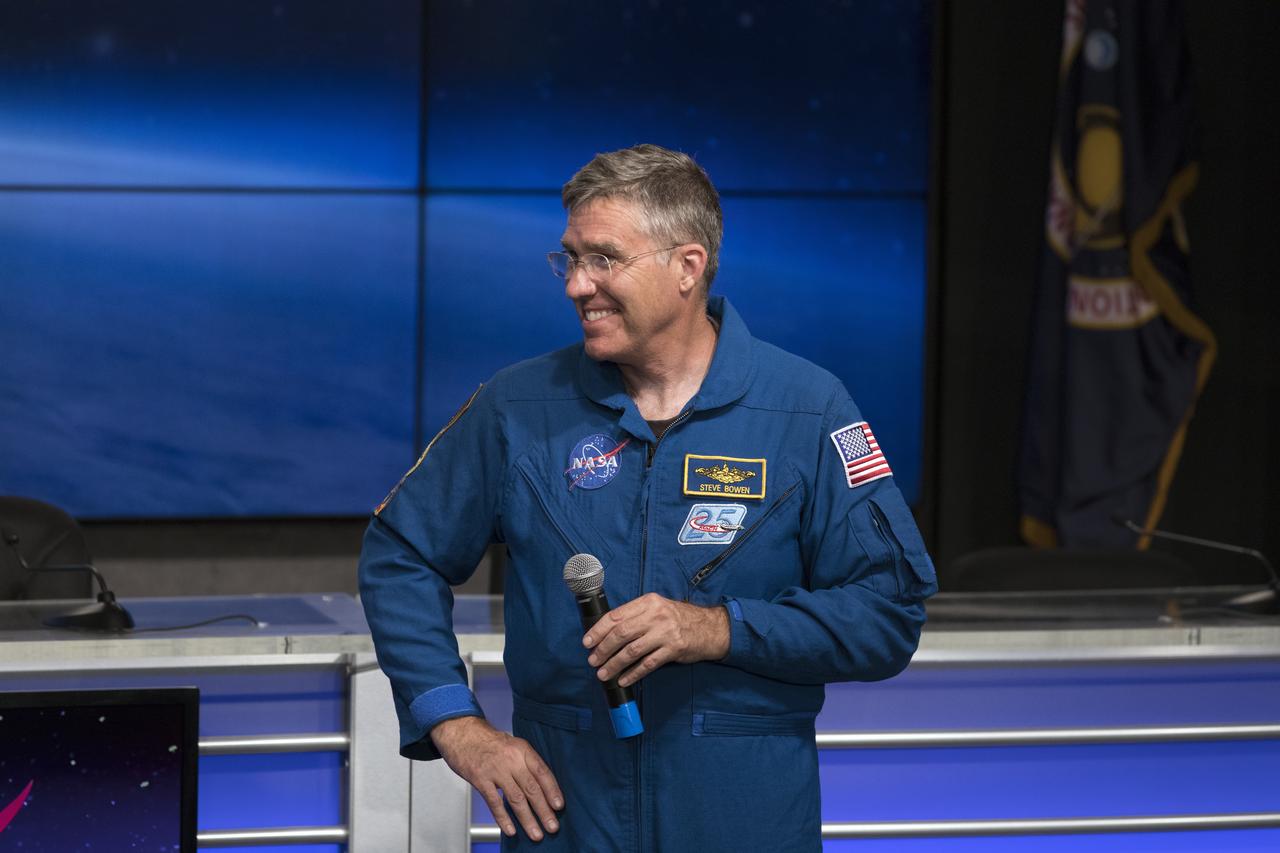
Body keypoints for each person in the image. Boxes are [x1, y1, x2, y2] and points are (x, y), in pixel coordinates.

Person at [359, 144, 936, 851]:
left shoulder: (809, 411)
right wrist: (456, 723)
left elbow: (887, 613)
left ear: (687, 267)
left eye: (604, 258)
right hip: (566, 816)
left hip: (744, 815)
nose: (576, 284)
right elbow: (401, 553)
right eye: (568, 258)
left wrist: (717, 629)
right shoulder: (517, 407)